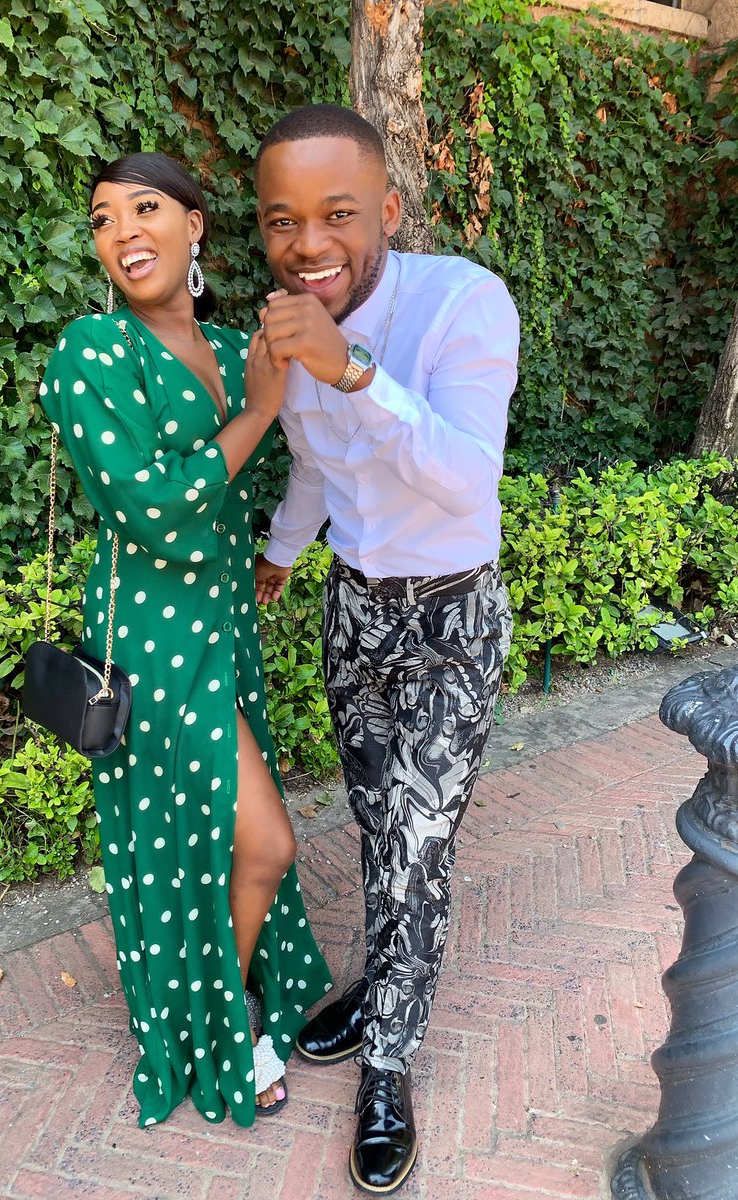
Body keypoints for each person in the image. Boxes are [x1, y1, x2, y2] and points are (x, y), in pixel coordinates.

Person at [253, 106, 518, 1194]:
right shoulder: (288, 327)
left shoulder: (464, 302)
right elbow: (316, 466)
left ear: (389, 212)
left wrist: (355, 370)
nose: (309, 244)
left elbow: (465, 475)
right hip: (356, 613)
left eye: (337, 215)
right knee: (378, 825)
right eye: (282, 221)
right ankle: (380, 984)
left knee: (419, 844)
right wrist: (280, 555)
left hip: (452, 620)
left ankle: (390, 1064)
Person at [38, 151, 331, 1129]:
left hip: (223, 619)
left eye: (145, 208)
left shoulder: (238, 345)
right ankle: (219, 1019)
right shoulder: (93, 352)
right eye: (103, 219)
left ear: (195, 225)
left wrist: (283, 549)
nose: (123, 232)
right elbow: (156, 506)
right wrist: (260, 410)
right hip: (149, 633)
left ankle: (224, 992)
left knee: (216, 832)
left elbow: (325, 442)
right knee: (262, 840)